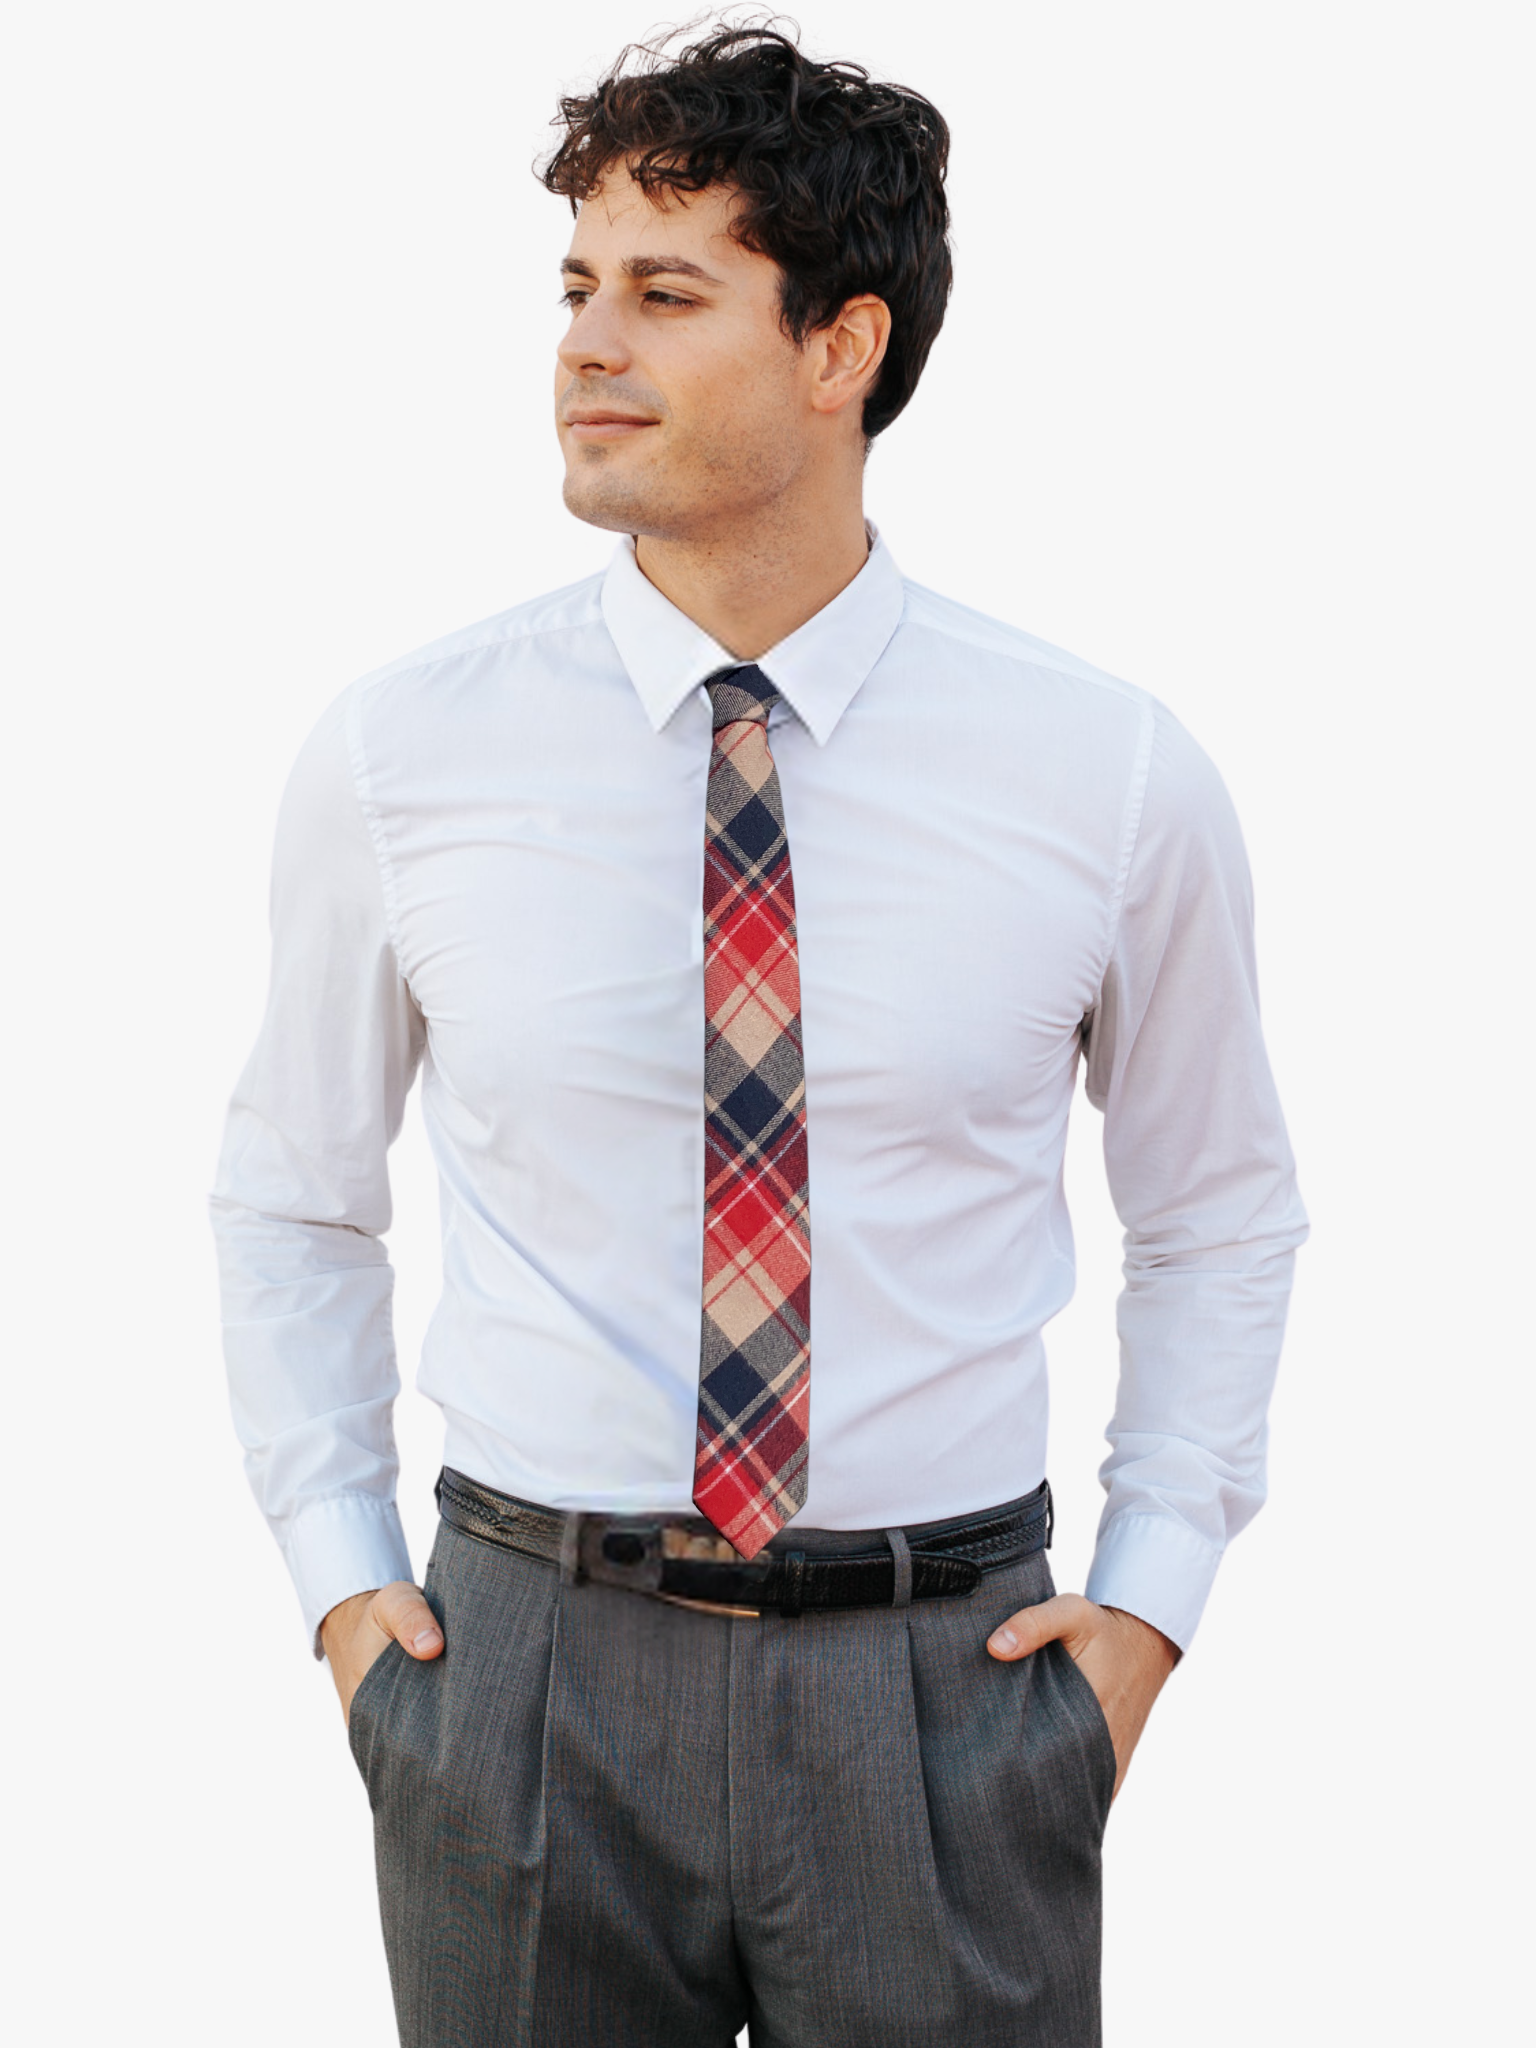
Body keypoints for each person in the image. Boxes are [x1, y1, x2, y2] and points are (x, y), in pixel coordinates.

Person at [211, 22, 1306, 2047]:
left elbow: (1222, 1207)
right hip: (517, 1678)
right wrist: (348, 1597)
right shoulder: (400, 753)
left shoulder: (1108, 770)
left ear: (842, 349)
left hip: (948, 1697)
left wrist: (1145, 1610)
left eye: (666, 292)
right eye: (575, 289)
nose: (584, 347)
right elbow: (290, 1191)